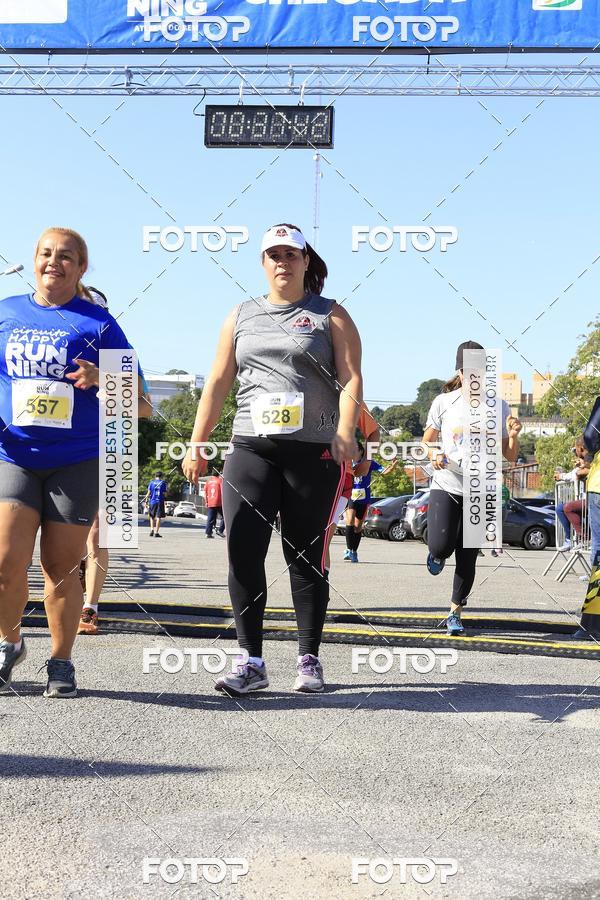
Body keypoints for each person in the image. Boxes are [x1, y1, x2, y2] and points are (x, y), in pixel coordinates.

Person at [182, 223, 362, 695]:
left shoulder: (330, 315)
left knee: (305, 557)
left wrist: (346, 431)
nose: (283, 261)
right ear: (263, 264)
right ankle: (250, 660)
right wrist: (197, 442)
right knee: (243, 551)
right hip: (250, 448)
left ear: (306, 261)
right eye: (273, 254)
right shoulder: (240, 315)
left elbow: (351, 379)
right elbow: (218, 383)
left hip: (312, 453)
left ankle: (308, 658)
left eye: (291, 254)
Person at [0, 227, 145, 696]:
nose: (53, 263)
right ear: (34, 259)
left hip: (76, 460)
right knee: (5, 561)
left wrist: (104, 378)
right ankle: (10, 642)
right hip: (13, 454)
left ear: (81, 268)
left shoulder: (98, 324)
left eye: (66, 257)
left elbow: (141, 404)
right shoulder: (5, 314)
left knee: (60, 565)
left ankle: (60, 662)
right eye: (45, 254)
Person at [422, 341, 522, 636]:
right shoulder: (444, 402)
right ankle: (437, 553)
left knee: (468, 555)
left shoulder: (499, 406)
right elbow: (426, 441)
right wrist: (433, 454)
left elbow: (511, 455)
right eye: (470, 373)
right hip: (447, 483)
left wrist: (513, 435)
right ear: (461, 372)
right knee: (441, 546)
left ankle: (455, 614)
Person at [77, 287, 152, 635]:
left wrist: (108, 390)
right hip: (63, 448)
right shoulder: (58, 345)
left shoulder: (121, 355)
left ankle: (90, 607)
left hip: (111, 449)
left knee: (98, 535)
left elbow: (146, 408)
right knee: (63, 534)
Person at [324, 401, 379, 573]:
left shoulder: (347, 394)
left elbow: (373, 433)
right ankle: (350, 550)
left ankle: (352, 551)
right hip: (299, 470)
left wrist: (367, 461)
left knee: (322, 540)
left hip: (341, 476)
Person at [344, 444, 397, 562]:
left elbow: (384, 471)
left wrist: (392, 467)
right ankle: (348, 549)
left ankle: (354, 551)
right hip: (351, 496)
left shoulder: (368, 463)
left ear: (361, 452)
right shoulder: (347, 463)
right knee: (350, 520)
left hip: (364, 498)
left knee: (358, 527)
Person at [554, 438, 591, 552]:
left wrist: (581, 468)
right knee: (560, 508)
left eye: (576, 451)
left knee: (568, 508)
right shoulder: (585, 461)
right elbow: (576, 473)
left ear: (581, 449)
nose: (576, 455)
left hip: (593, 498)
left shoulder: (591, 457)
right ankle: (571, 538)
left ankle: (584, 538)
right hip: (588, 498)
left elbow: (583, 472)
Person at [145, 471, 168, 537]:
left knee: (152, 516)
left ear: (155, 476)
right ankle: (156, 532)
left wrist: (146, 501)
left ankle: (152, 529)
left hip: (152, 501)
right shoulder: (163, 483)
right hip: (160, 501)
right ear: (161, 476)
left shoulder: (151, 482)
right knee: (158, 517)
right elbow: (165, 493)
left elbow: (148, 493)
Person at [204, 472, 225, 539]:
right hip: (219, 502)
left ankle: (208, 533)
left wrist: (206, 502)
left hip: (210, 502)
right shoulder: (220, 481)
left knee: (210, 518)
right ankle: (220, 530)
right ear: (218, 474)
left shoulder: (208, 481)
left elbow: (205, 492)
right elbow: (223, 491)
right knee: (224, 516)